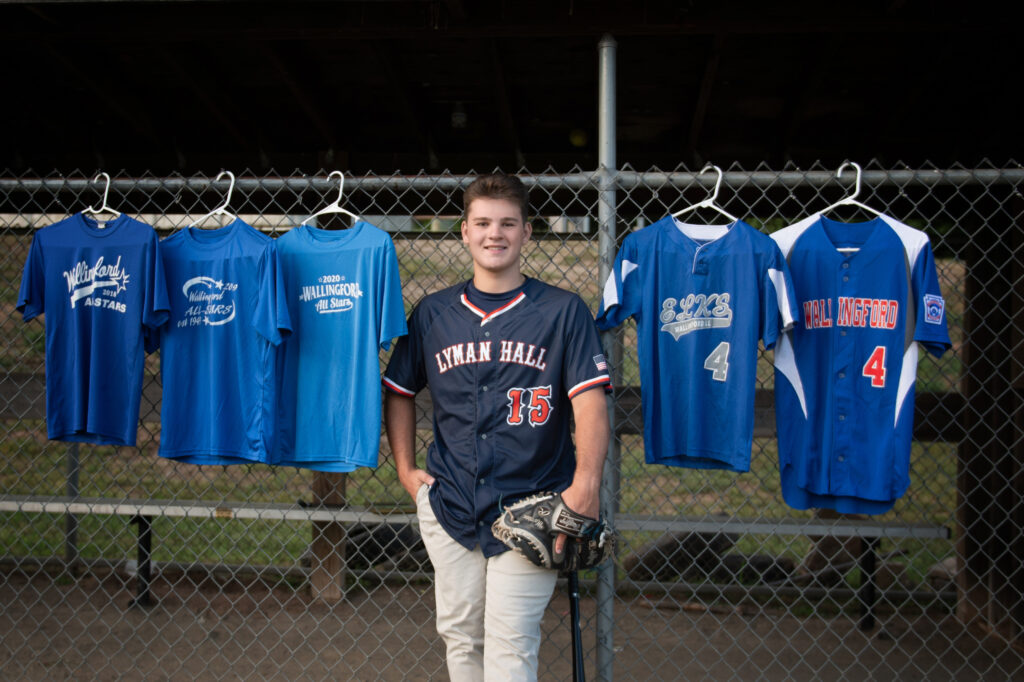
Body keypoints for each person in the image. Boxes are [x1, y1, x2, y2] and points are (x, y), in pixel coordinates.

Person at [383, 173, 611, 681]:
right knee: (462, 637)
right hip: (451, 503)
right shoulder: (434, 313)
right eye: (483, 222)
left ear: (528, 232)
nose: (495, 234)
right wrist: (404, 469)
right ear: (463, 231)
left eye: (508, 223)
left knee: (511, 647)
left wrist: (587, 484)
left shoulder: (562, 311)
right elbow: (399, 390)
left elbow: (590, 401)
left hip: (534, 504)